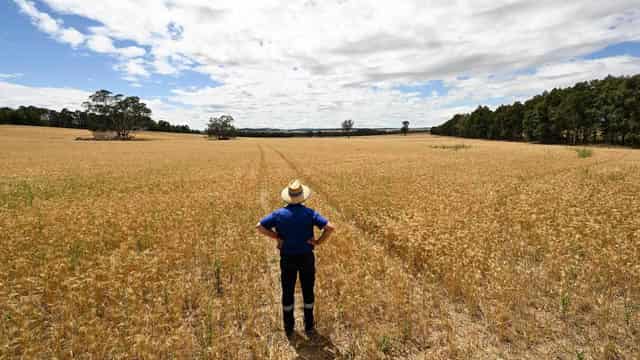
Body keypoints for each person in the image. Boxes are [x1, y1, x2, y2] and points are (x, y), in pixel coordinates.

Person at [256, 179, 335, 337]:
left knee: (287, 291)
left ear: (288, 197)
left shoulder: (278, 214)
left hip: (287, 259)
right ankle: (309, 325)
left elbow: (259, 226)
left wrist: (277, 236)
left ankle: (289, 327)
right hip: (306, 257)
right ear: (303, 196)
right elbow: (330, 227)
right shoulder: (310, 213)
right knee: (307, 290)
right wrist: (318, 242)